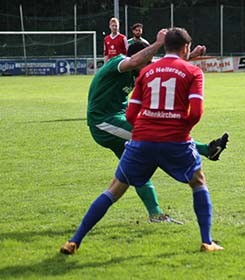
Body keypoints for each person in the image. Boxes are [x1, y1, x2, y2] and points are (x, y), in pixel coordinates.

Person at [61, 27, 224, 254]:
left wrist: (189, 54)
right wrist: (161, 45)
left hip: (136, 132)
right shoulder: (119, 62)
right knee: (198, 181)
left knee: (116, 188)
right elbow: (192, 108)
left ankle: (75, 240)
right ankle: (207, 241)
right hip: (104, 121)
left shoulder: (146, 73)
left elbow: (163, 68)